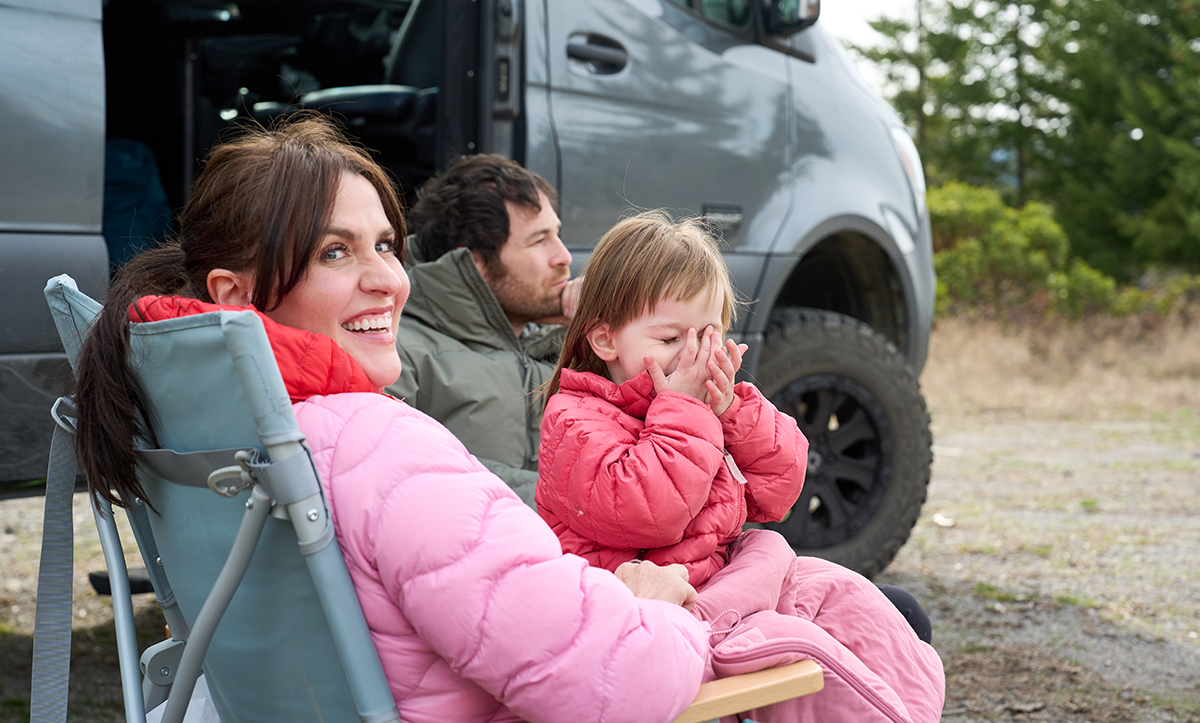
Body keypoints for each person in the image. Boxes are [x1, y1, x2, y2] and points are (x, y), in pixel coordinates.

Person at [72, 117, 709, 723]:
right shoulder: (376, 446)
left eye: (384, 245)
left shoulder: (199, 424)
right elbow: (615, 683)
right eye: (334, 253)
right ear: (233, 296)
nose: (387, 280)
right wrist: (649, 610)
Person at [537, 211, 946, 722]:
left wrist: (734, 411)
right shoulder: (575, 419)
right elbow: (649, 514)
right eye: (668, 341)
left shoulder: (705, 405)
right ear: (604, 341)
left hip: (732, 579)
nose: (692, 355)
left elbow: (779, 492)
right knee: (809, 660)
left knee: (883, 610)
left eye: (707, 335)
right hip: (665, 608)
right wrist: (684, 412)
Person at [387, 155, 577, 506]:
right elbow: (403, 476)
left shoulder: (555, 339)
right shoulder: (398, 352)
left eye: (557, 235)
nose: (564, 256)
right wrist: (575, 507)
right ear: (475, 265)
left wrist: (606, 324)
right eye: (539, 241)